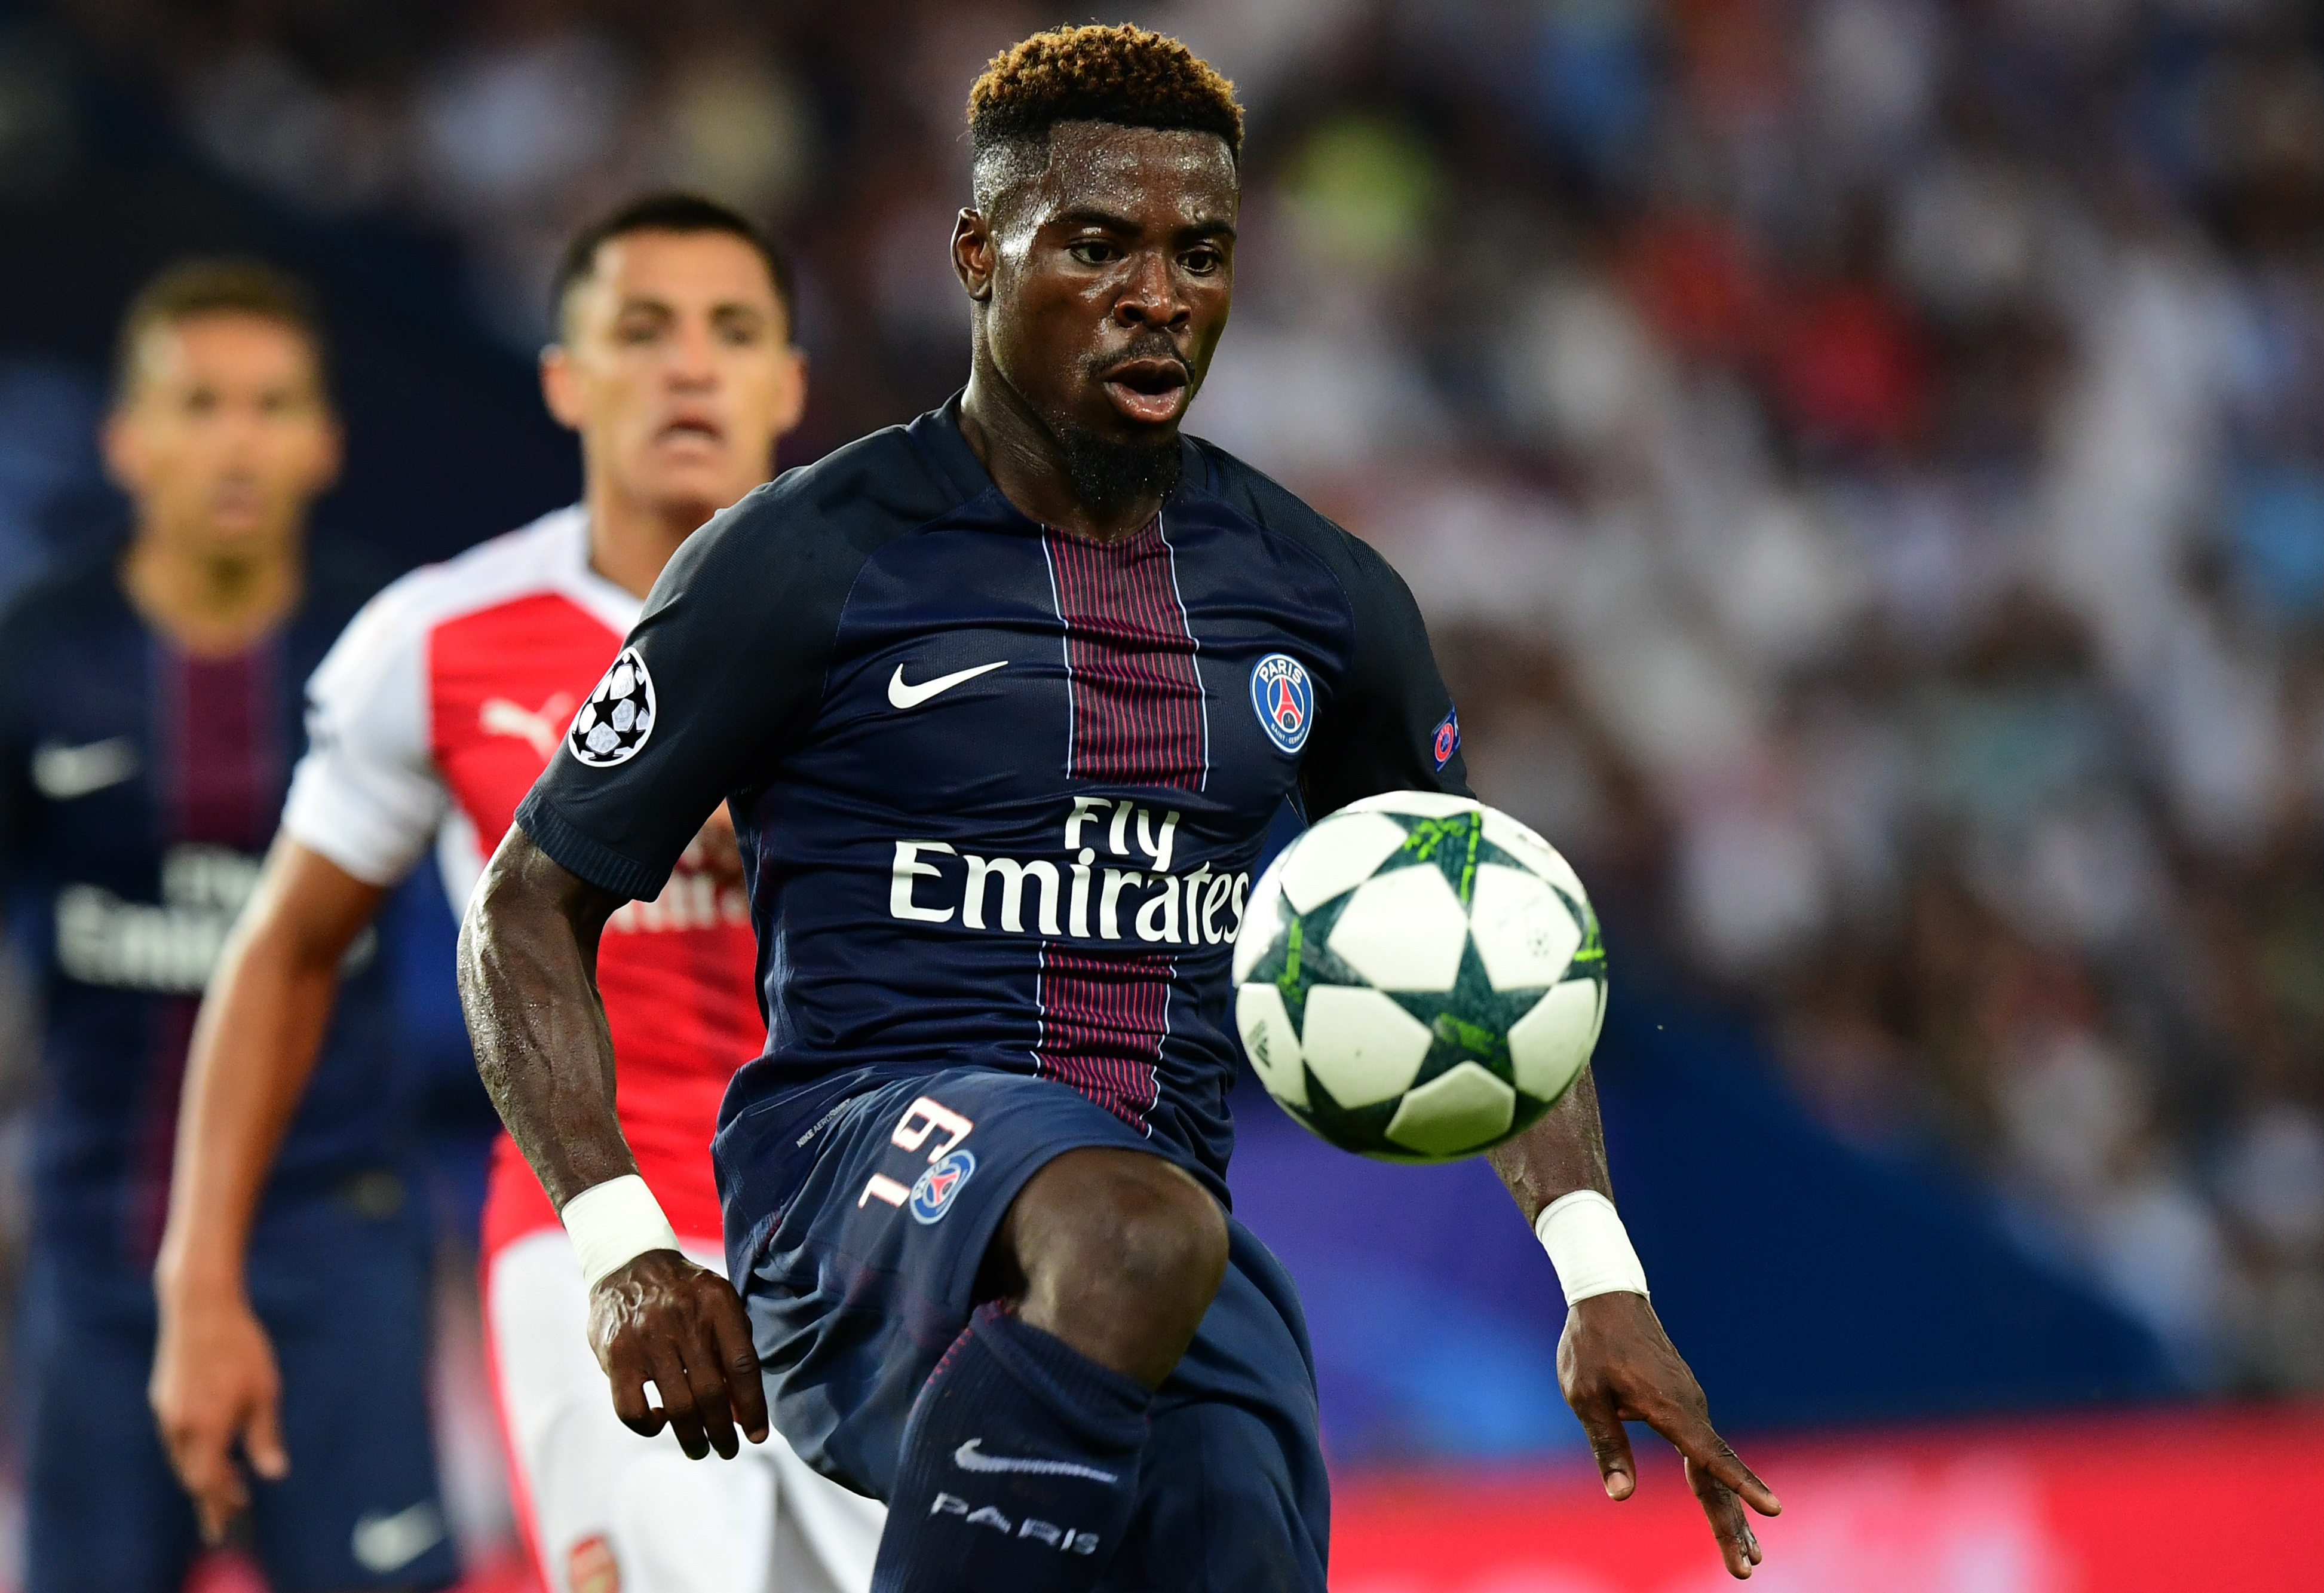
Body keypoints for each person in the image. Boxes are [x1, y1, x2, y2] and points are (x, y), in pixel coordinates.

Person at [459, 26, 1780, 1592]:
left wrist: (1598, 1273)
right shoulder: (804, 560)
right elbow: (524, 904)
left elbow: (1480, 950)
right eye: (1097, 246)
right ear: (977, 255)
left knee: (1235, 1508)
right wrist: (621, 1246)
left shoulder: (1319, 597)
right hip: (854, 1190)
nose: (1158, 294)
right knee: (1136, 1229)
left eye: (1199, 253)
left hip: (1151, 1235)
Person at [148, 196, 885, 1593]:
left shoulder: (912, 633)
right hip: (597, 1238)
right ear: (563, 376)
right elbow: (285, 952)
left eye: (731, 331)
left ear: (788, 383)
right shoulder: (438, 640)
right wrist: (199, 1276)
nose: (687, 366)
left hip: (880, 1236)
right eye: (642, 329)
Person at [1, 260, 455, 1592]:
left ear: (324, 441)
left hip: (340, 1246)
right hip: (98, 1255)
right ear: (126, 439)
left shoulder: (389, 648)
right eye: (200, 404)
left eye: (272, 405)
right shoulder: (38, 659)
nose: (238, 442)